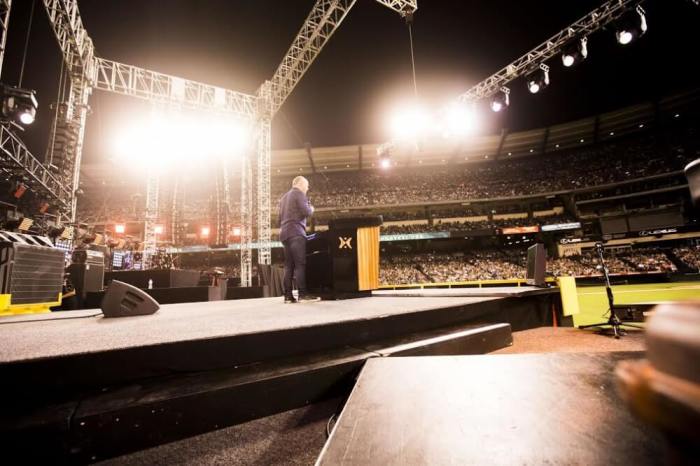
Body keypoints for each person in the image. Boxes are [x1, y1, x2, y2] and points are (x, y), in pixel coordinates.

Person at [279, 176, 321, 303]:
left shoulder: (283, 198)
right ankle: (302, 294)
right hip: (296, 232)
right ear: (301, 184)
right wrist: (311, 207)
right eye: (307, 185)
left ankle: (288, 296)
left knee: (288, 266)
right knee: (300, 264)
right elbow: (307, 212)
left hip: (284, 233)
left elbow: (279, 218)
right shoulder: (300, 194)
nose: (307, 188)